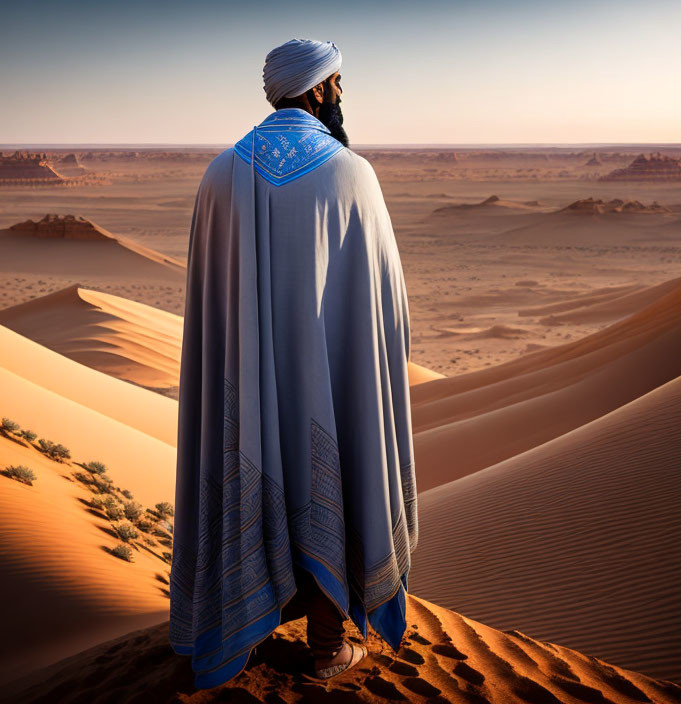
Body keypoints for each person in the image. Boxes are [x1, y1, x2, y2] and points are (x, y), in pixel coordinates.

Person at [169, 37, 417, 688]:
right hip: (330, 390)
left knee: (245, 469)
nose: (339, 95)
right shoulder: (349, 173)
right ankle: (329, 642)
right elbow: (385, 300)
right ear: (315, 90)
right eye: (335, 84)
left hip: (240, 390)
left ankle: (237, 632)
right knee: (330, 479)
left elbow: (207, 303)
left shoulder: (221, 173)